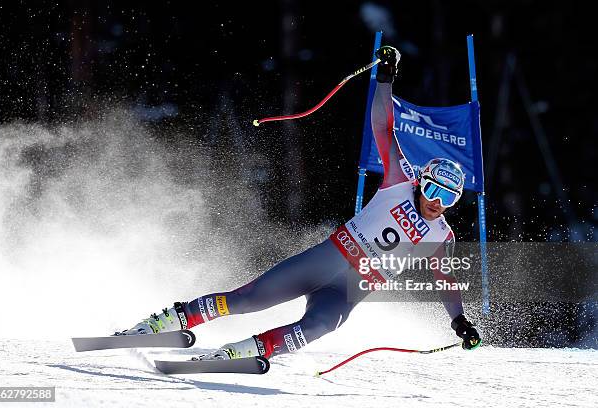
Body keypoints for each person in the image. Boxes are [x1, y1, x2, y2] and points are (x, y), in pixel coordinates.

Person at [120, 46, 482, 360]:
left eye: (449, 198)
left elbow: (445, 279)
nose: (438, 203)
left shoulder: (442, 235)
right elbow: (383, 129)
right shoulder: (399, 179)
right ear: (421, 182)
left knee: (321, 325)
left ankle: (245, 352)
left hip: (349, 291)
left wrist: (458, 320)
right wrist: (386, 78)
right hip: (327, 260)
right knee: (247, 300)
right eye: (434, 191)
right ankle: (167, 321)